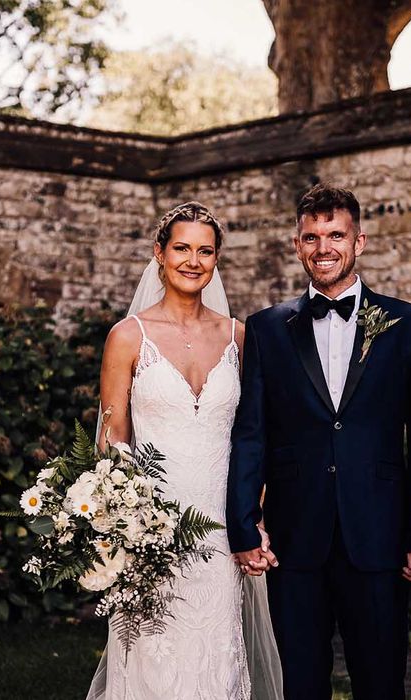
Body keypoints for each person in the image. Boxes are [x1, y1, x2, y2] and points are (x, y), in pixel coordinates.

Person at [227, 184, 411, 700]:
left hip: (379, 534)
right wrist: (244, 525)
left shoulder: (408, 325)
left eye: (335, 235)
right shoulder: (265, 328)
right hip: (293, 539)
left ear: (359, 241)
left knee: (381, 679)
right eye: (312, 236)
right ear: (296, 245)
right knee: (300, 683)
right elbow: (252, 432)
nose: (323, 247)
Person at [86, 201, 283, 700]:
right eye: (181, 249)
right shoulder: (128, 337)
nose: (193, 261)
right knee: (155, 664)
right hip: (151, 532)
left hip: (221, 530)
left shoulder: (240, 335)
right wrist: (122, 528)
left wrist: (254, 516)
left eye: (205, 251)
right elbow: (112, 443)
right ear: (159, 253)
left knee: (216, 658)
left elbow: (253, 437)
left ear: (217, 260)